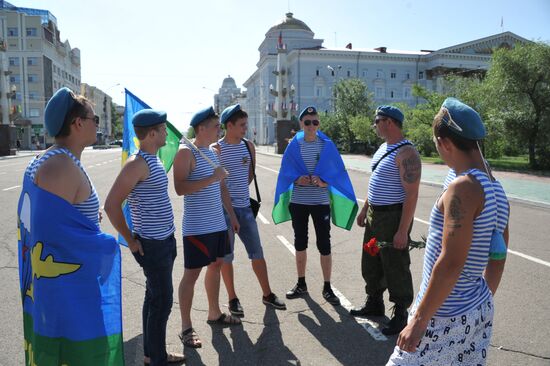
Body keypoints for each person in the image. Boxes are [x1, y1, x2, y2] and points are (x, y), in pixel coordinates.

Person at [387, 98, 510, 365]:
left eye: (436, 145)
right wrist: (483, 297)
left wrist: (419, 321)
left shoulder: (464, 188)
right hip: (475, 306)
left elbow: (451, 262)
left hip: (444, 314)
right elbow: (499, 253)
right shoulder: (495, 187)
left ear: (445, 143)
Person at [17, 87, 123, 364]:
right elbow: (54, 239)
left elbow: (61, 219)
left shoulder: (54, 159)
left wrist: (86, 219)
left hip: (64, 287)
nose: (97, 124)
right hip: (67, 291)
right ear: (78, 123)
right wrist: (107, 243)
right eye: (94, 119)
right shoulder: (61, 166)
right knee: (76, 352)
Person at [104, 109, 184, 365]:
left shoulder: (154, 158)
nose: (165, 132)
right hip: (152, 245)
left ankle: (152, 353)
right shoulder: (137, 164)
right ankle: (157, 358)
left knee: (154, 298)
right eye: (162, 129)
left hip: (164, 241)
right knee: (162, 303)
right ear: (151, 134)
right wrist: (130, 239)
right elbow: (112, 204)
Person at [173, 106, 241, 349]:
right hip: (197, 227)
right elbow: (180, 188)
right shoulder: (185, 152)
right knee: (191, 274)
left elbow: (221, 186)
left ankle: (214, 313)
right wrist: (212, 177)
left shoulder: (212, 151)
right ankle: (186, 327)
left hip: (217, 223)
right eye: (216, 127)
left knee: (217, 265)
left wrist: (231, 215)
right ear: (201, 128)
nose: (219, 130)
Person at [350, 105, 421, 336]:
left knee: (395, 264)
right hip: (375, 215)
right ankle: (374, 302)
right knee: (371, 259)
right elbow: (377, 182)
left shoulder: (407, 153)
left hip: (393, 216)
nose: (374, 124)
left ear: (389, 122)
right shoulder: (383, 148)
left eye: (377, 120)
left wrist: (402, 231)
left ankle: (400, 314)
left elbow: (411, 194)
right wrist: (364, 210)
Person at [276, 106, 358, 306]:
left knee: (324, 244)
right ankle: (301, 283)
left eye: (315, 122)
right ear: (301, 124)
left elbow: (337, 172)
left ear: (319, 123)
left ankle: (327, 286)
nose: (312, 126)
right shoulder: (293, 146)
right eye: (307, 122)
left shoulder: (326, 144)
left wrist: (325, 182)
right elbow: (285, 171)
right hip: (299, 202)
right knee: (300, 242)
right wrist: (297, 180)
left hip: (320, 203)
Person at [216, 104, 286, 317]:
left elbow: (250, 175)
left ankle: (267, 294)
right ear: (229, 125)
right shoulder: (216, 149)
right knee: (227, 257)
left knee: (257, 253)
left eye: (246, 124)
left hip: (245, 209)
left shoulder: (249, 147)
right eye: (242, 125)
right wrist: (230, 202)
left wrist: (240, 194)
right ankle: (232, 299)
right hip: (224, 212)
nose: (245, 128)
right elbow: (218, 184)